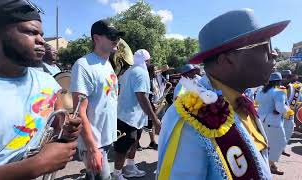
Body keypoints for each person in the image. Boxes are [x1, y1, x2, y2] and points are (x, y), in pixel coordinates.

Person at [157, 9, 290, 179]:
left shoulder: (240, 100)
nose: (274, 54)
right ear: (227, 59)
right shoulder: (190, 118)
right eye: (265, 46)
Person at [0, 1, 82, 179]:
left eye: (41, 34)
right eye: (30, 32)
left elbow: (58, 127)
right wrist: (34, 166)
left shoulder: (47, 82)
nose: (42, 40)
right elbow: (37, 165)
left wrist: (67, 131)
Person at [70, 19, 124, 180]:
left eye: (117, 36)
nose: (116, 39)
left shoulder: (108, 64)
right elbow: (79, 111)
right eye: (111, 36)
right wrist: (92, 149)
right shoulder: (84, 65)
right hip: (95, 143)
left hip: (106, 138)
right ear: (96, 38)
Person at [113, 49, 161, 180]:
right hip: (128, 117)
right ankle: (116, 175)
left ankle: (130, 168)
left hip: (131, 116)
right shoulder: (141, 72)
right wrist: (155, 119)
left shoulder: (129, 71)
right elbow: (141, 96)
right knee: (123, 148)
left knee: (134, 142)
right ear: (147, 61)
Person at [256, 72, 291, 175]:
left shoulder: (260, 91)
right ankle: (268, 164)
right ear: (278, 81)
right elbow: (280, 108)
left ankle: (271, 165)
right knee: (281, 143)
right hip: (273, 122)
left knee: (267, 144)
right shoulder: (279, 93)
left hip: (261, 121)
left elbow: (257, 101)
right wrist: (286, 108)